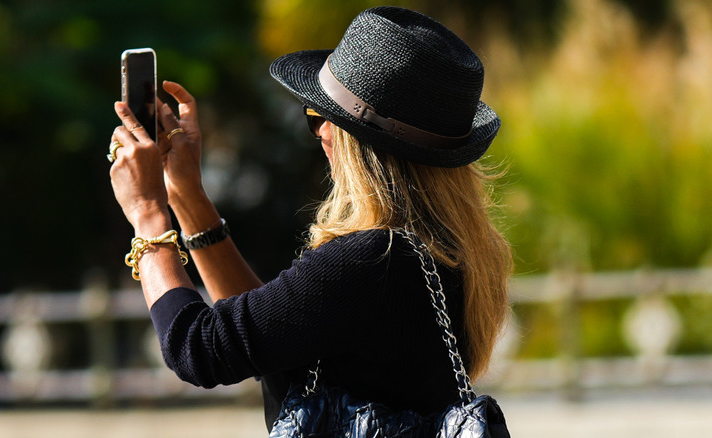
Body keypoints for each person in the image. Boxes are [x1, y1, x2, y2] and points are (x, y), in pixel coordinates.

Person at [107, 6, 511, 432]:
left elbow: (200, 349)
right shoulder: (443, 253)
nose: (317, 132)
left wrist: (148, 214)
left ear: (358, 141)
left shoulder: (372, 259)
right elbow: (268, 347)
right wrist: (186, 197)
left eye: (320, 117)